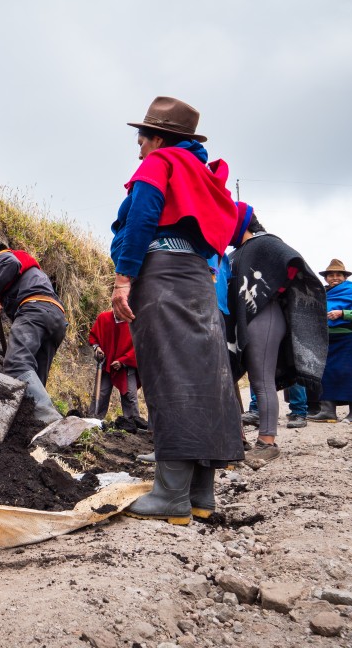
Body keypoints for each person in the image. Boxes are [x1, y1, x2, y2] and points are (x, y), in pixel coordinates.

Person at [110, 96, 243, 524]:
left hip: (162, 276)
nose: (139, 149)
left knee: (169, 373)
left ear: (158, 138)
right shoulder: (202, 175)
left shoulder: (160, 164)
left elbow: (141, 219)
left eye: (142, 139)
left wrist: (123, 277)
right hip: (196, 278)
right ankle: (201, 495)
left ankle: (170, 494)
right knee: (203, 375)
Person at [224, 205, 328, 462]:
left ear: (241, 223)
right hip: (247, 320)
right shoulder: (235, 253)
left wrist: (274, 289)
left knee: (261, 380)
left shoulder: (266, 243)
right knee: (237, 379)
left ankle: (267, 442)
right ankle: (238, 440)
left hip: (265, 317)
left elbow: (292, 263)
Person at [0, 248, 66, 425]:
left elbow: (11, 264)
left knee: (16, 364)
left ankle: (52, 423)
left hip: (35, 309)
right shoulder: (34, 275)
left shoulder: (3, 256)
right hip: (57, 317)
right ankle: (32, 428)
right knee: (34, 376)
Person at [308, 259, 352, 423]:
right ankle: (328, 411)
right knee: (326, 373)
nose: (334, 278)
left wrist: (342, 313)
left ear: (344, 277)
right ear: (326, 278)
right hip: (326, 339)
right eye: (331, 275)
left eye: (338, 275)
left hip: (349, 338)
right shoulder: (321, 293)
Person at [87, 309, 142, 425]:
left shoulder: (133, 322)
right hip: (106, 362)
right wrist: (97, 348)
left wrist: (123, 361)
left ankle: (133, 425)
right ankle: (93, 421)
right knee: (101, 392)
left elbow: (137, 347)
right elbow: (94, 337)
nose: (120, 312)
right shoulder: (104, 317)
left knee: (130, 395)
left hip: (127, 365)